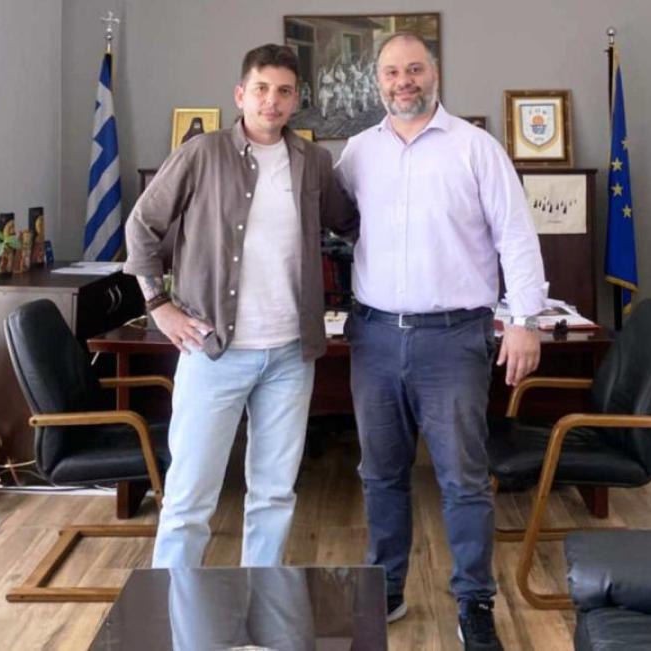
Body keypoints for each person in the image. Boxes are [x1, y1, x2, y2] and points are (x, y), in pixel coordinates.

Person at [335, 33, 547, 651]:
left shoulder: (476, 148)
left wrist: (525, 320)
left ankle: (474, 603)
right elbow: (332, 226)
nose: (403, 81)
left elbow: (516, 236)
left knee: (463, 480)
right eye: (391, 72)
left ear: (435, 73)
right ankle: (387, 589)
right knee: (380, 474)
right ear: (377, 81)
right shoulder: (356, 153)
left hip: (454, 341)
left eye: (414, 69)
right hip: (374, 337)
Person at [124, 43, 355, 570]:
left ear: (296, 100)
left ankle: (260, 602)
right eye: (261, 89)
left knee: (274, 494)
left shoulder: (314, 163)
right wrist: (158, 303)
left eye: (284, 91)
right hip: (214, 352)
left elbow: (352, 225)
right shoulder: (202, 154)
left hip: (291, 355)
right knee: (189, 497)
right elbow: (142, 225)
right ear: (240, 94)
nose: (272, 101)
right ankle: (174, 606)